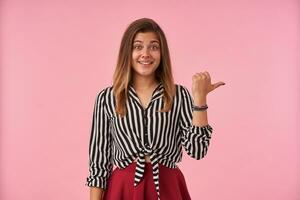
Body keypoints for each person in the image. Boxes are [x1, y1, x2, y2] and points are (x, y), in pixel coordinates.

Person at [85, 17, 225, 200]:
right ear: (127, 52)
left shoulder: (179, 95)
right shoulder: (106, 99)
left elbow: (197, 150)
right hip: (124, 189)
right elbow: (99, 162)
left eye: (153, 46)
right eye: (138, 46)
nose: (146, 53)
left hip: (167, 186)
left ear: (162, 53)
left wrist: (200, 99)